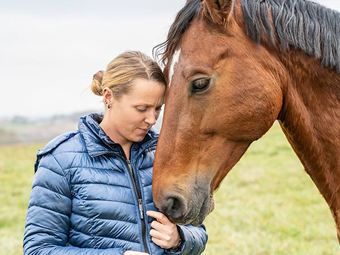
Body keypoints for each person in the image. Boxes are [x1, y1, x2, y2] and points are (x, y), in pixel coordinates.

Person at [23, 51, 208, 255]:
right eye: (141, 108)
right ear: (108, 97)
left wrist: (179, 238)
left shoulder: (166, 155)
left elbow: (198, 231)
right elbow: (38, 250)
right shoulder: (60, 160)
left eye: (157, 108)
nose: (152, 119)